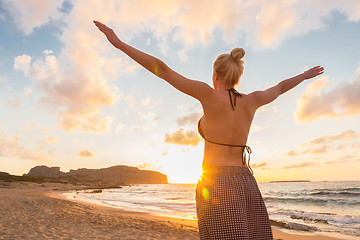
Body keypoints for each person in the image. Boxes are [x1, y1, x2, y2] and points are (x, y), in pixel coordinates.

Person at [94, 20, 324, 240]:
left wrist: (120, 44)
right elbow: (281, 87)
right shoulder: (253, 100)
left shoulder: (209, 95)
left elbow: (162, 70)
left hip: (216, 182)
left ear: (215, 75)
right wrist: (304, 75)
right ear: (237, 76)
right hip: (246, 182)